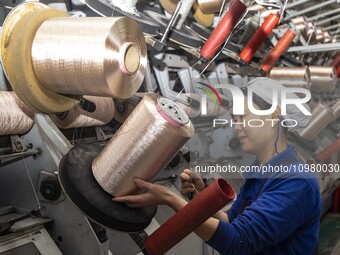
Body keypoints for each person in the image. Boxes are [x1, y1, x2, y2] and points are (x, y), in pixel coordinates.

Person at [113, 78, 321, 255]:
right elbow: (233, 222)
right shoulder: (263, 170)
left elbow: (238, 241)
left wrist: (169, 198)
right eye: (235, 118)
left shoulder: (295, 182)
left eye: (244, 117)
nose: (237, 126)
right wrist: (199, 199)